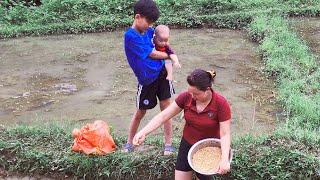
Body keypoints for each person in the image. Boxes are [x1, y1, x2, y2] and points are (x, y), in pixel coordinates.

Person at [133, 69, 232, 180]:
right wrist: (143, 132)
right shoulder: (186, 97)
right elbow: (163, 116)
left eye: (196, 94)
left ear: (207, 90)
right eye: (190, 92)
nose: (192, 96)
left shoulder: (221, 104)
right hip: (187, 144)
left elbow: (225, 134)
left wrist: (224, 159)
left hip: (209, 149)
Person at [123, 0, 175, 155]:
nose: (149, 25)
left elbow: (163, 41)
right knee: (140, 112)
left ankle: (168, 144)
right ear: (137, 16)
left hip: (162, 74)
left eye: (152, 22)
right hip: (146, 80)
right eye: (148, 21)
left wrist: (168, 49)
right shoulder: (130, 36)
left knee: (167, 109)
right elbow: (152, 54)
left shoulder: (150, 31)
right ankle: (129, 143)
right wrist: (170, 55)